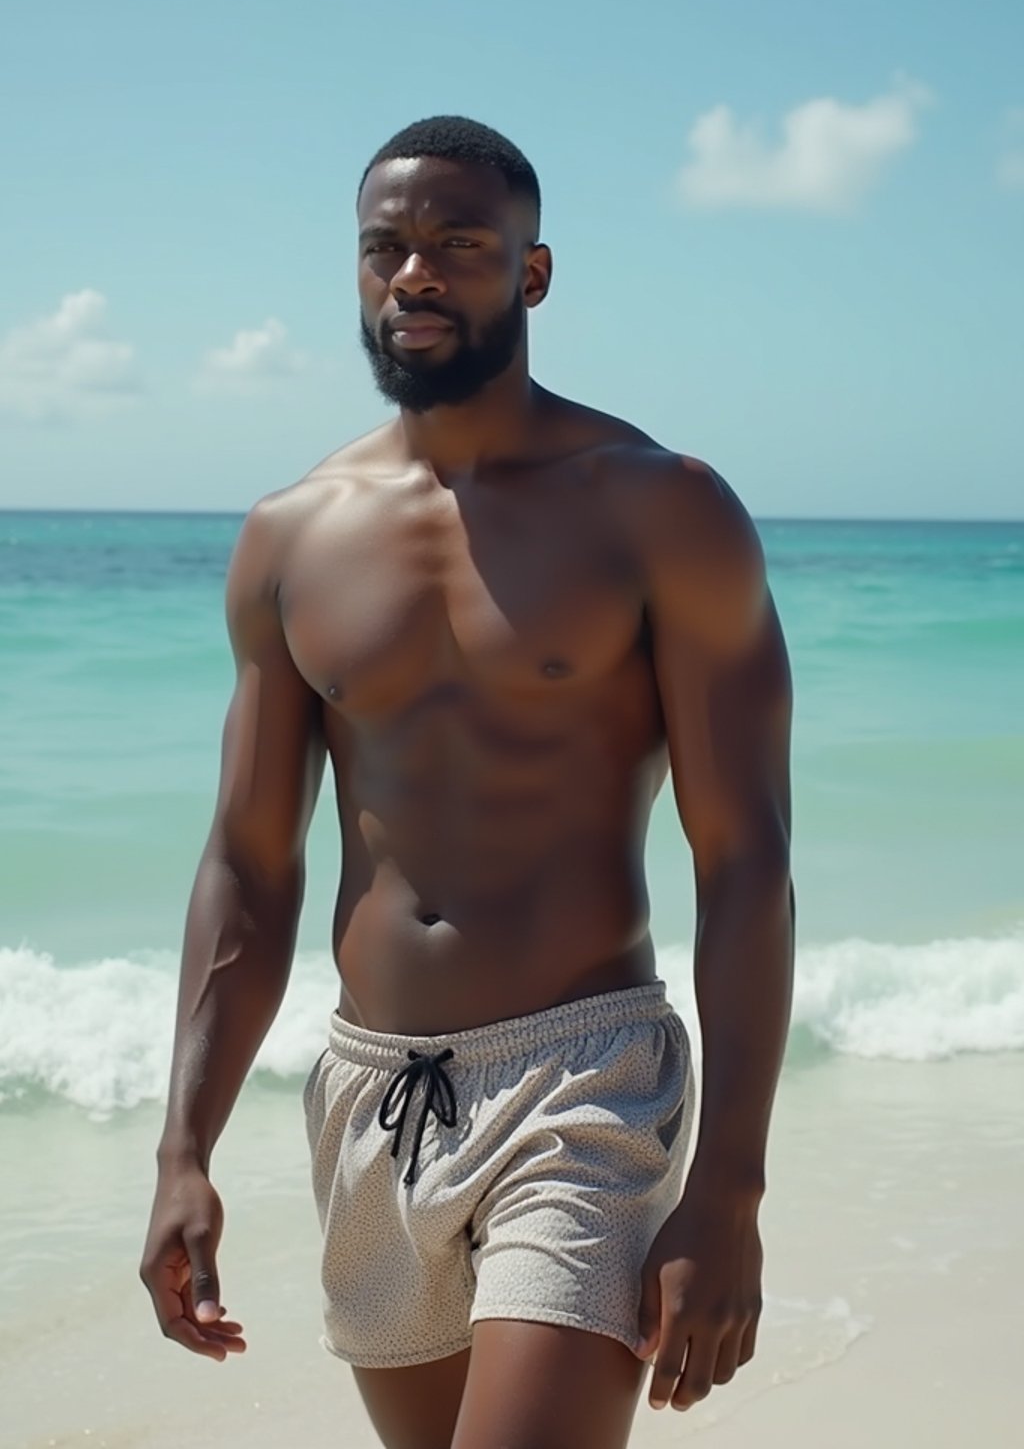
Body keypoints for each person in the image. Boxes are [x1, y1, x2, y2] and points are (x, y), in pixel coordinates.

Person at [140, 115, 794, 1449]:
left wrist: (729, 1184)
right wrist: (182, 1152)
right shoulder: (289, 537)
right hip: (374, 1097)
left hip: (585, 1080)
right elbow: (250, 866)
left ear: (533, 276)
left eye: (458, 247)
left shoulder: (661, 508)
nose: (415, 277)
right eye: (386, 250)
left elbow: (747, 863)